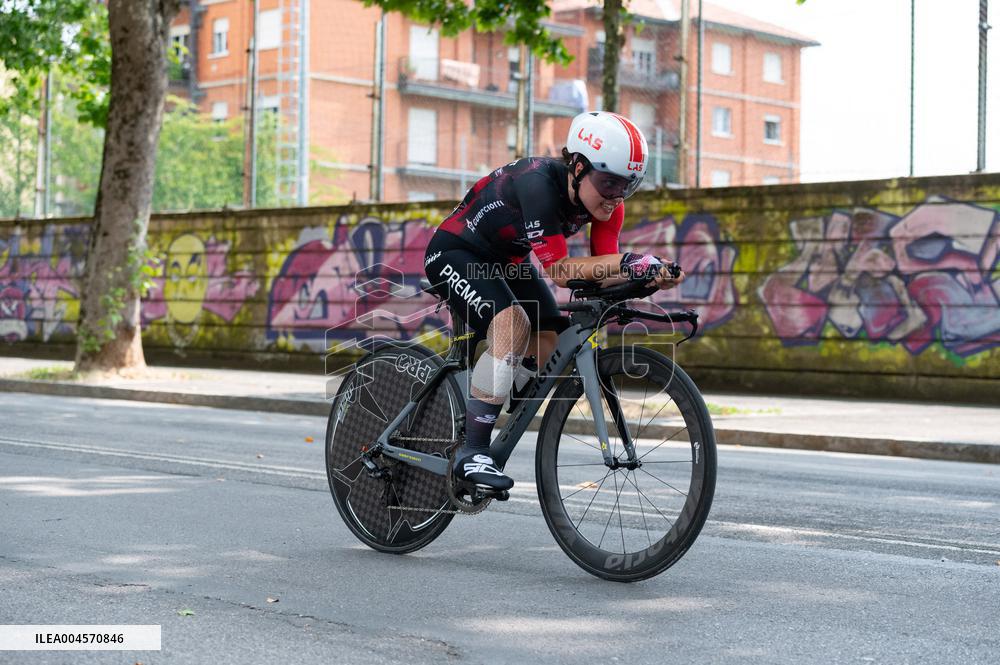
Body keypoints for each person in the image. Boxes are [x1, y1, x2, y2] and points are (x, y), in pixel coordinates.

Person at [423, 111, 685, 492]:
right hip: (455, 252)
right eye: (609, 182)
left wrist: (645, 276)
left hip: (506, 262)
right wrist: (629, 262)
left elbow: (600, 268)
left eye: (628, 186)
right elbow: (562, 272)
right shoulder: (538, 184)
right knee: (512, 325)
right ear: (577, 166)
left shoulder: (609, 204)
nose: (616, 196)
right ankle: (472, 451)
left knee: (551, 336)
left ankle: (489, 399)